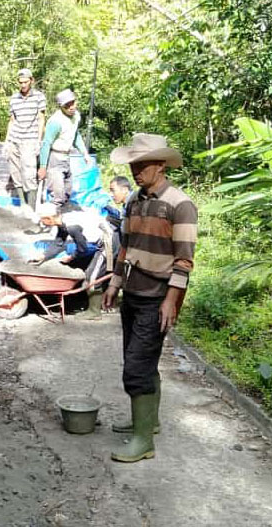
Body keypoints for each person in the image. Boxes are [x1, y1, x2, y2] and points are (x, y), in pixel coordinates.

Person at [102, 133, 198, 463]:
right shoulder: (134, 201)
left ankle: (143, 442)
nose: (135, 170)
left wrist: (172, 300)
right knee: (143, 360)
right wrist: (115, 283)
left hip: (158, 295)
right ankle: (149, 421)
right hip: (133, 290)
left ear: (160, 165)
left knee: (136, 368)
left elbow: (184, 259)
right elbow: (125, 246)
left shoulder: (180, 204)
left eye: (142, 164)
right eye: (133, 164)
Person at [35, 204, 112, 317]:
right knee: (86, 268)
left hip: (106, 243)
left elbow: (83, 249)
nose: (42, 223)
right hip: (92, 242)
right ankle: (86, 303)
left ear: (49, 219)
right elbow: (59, 243)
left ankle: (94, 312)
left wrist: (71, 257)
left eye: (42, 220)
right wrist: (44, 256)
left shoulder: (72, 226)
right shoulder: (63, 222)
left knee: (92, 276)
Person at [38, 89, 93, 207]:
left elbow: (75, 135)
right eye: (67, 105)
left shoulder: (76, 116)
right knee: (58, 195)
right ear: (61, 107)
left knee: (67, 191)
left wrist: (85, 154)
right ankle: (51, 220)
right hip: (54, 158)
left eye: (73, 103)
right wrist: (43, 167)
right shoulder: (55, 122)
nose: (71, 107)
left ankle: (63, 218)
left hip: (66, 157)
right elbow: (46, 143)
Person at [4, 68, 47, 210]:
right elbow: (12, 120)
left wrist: (38, 141)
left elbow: (41, 118)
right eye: (20, 82)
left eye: (25, 82)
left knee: (29, 175)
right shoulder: (14, 98)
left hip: (30, 139)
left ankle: (31, 210)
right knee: (16, 174)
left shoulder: (39, 97)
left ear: (31, 81)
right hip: (14, 139)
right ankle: (23, 207)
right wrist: (6, 141)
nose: (23, 85)